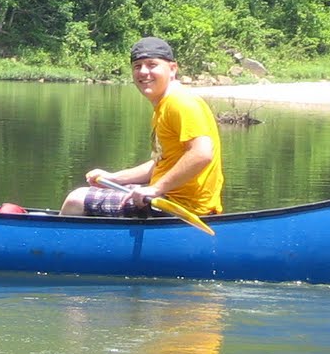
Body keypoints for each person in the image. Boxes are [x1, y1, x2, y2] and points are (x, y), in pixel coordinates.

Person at [60, 36, 223, 218]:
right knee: (90, 196)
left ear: (172, 69)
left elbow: (202, 154)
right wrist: (113, 178)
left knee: (76, 199)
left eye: (152, 65)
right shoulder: (164, 106)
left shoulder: (180, 102)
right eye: (137, 66)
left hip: (180, 207)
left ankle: (54, 246)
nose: (143, 72)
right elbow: (161, 163)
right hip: (166, 196)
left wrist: (155, 189)